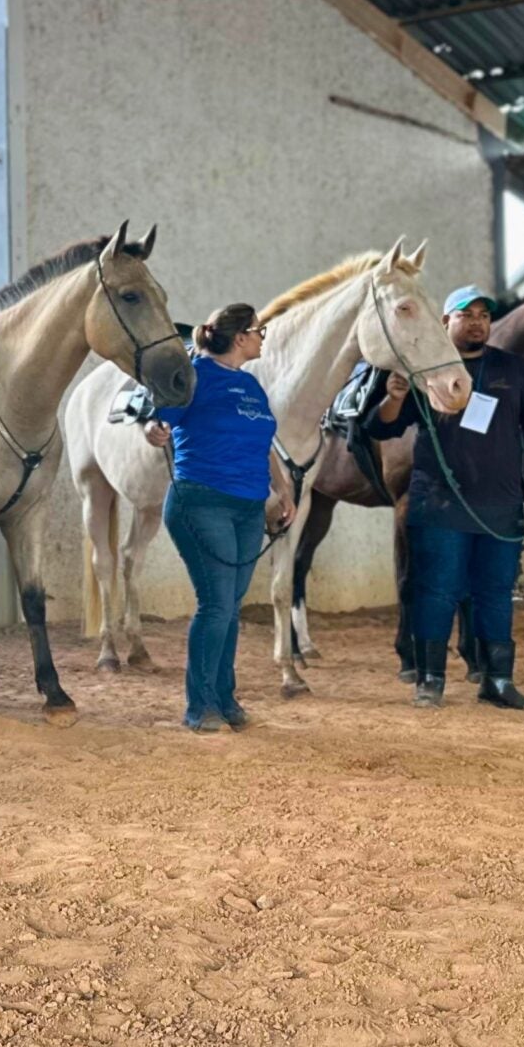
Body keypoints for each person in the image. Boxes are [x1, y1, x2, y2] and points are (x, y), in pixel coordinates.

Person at [364, 284, 524, 711]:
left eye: (483, 315)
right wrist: (395, 398)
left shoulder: (515, 371)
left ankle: (498, 680)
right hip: (439, 504)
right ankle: (430, 678)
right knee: (436, 591)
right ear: (444, 322)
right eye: (465, 314)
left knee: (495, 593)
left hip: (501, 505)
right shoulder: (427, 370)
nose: (476, 322)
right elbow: (381, 429)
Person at [142, 303, 286, 732]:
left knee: (230, 607)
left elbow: (265, 443)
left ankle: (224, 698)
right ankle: (199, 706)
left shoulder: (251, 385)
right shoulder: (193, 375)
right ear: (240, 336)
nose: (263, 337)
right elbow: (156, 424)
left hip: (247, 507)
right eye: (260, 331)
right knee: (217, 604)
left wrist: (285, 490)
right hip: (201, 501)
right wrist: (153, 431)